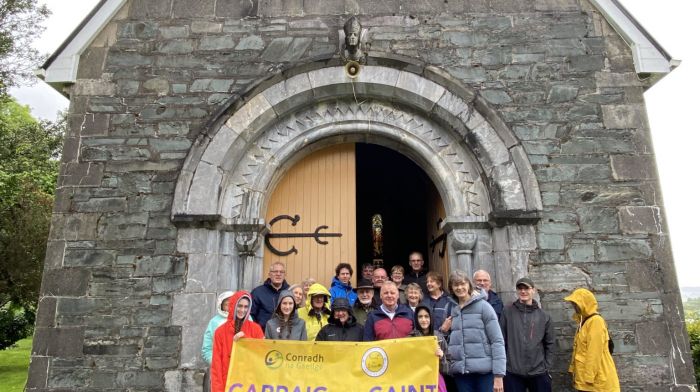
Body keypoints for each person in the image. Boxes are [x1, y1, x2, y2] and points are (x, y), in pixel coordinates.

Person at [447, 270, 505, 392]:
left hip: (484, 374)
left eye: (462, 284)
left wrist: (499, 375)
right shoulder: (452, 309)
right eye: (456, 285)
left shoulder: (484, 306)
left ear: (469, 285)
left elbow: (497, 341)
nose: (460, 288)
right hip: (462, 374)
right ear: (451, 288)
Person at [500, 277, 554, 392]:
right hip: (513, 372)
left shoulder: (544, 316)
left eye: (526, 288)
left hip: (539, 372)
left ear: (533, 290)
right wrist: (504, 365)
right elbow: (501, 340)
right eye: (520, 288)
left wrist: (546, 367)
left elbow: (550, 344)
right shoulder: (507, 312)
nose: (523, 291)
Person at [564, 288, 620, 392]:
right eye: (573, 304)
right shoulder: (583, 322)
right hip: (586, 381)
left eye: (576, 304)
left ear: (584, 303)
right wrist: (573, 369)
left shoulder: (595, 322)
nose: (574, 307)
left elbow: (594, 352)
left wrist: (588, 378)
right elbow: (579, 350)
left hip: (596, 382)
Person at [210, 291, 264, 392]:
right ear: (233, 305)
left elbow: (261, 358)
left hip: (250, 384)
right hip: (228, 382)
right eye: (239, 306)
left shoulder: (256, 329)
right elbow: (216, 365)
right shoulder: (220, 332)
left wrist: (246, 340)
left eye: (246, 307)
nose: (242, 310)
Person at [410, 305, 449, 392]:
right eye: (420, 316)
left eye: (426, 316)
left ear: (431, 317)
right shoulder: (409, 339)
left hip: (435, 382)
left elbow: (447, 369)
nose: (423, 320)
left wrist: (442, 357)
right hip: (416, 383)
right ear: (416, 319)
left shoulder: (439, 337)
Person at [201, 291, 233, 392]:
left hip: (241, 369)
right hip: (220, 370)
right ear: (221, 305)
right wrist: (217, 363)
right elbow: (207, 349)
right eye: (226, 304)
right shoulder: (214, 322)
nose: (229, 307)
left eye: (232, 304)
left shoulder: (247, 319)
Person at [251, 262, 290, 329]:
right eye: (275, 271)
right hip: (263, 335)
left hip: (286, 336)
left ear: (285, 275)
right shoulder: (257, 292)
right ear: (269, 274)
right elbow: (251, 315)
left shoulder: (290, 292)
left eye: (281, 272)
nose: (278, 274)